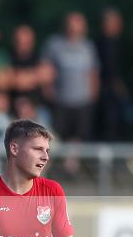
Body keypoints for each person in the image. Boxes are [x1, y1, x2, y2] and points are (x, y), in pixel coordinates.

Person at [42, 12, 100, 142]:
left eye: (77, 25)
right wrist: (49, 93)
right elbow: (45, 69)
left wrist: (93, 96)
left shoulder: (88, 47)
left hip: (83, 101)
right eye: (71, 25)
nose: (74, 28)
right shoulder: (54, 44)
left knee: (79, 138)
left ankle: (74, 163)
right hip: (61, 100)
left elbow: (93, 72)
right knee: (57, 137)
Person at [9, 25, 54, 128]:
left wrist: (21, 77)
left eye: (26, 41)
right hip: (13, 110)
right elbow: (11, 80)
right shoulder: (8, 58)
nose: (22, 44)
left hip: (38, 109)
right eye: (19, 41)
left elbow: (48, 75)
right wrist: (36, 75)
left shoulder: (40, 57)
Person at [96, 8, 130, 141]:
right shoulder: (104, 44)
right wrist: (117, 86)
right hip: (107, 92)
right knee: (110, 125)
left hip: (111, 91)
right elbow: (110, 70)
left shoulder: (116, 43)